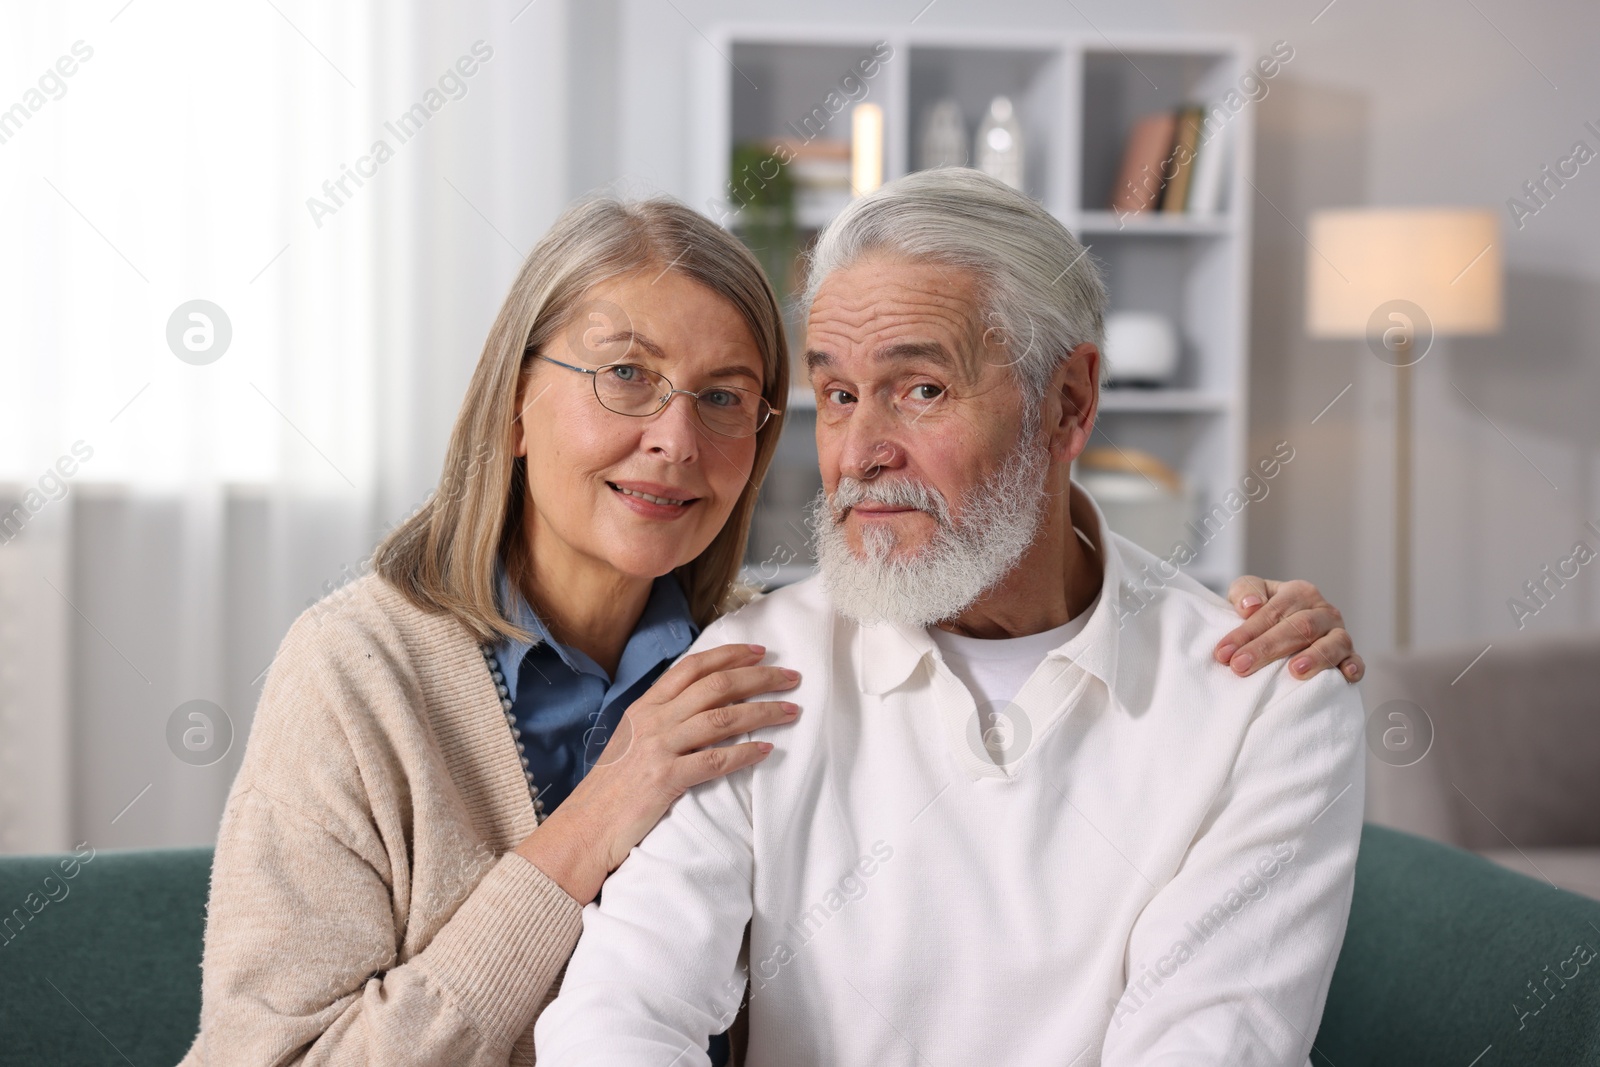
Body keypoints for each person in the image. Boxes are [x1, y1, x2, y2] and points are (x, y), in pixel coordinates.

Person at [180, 191, 1361, 1066]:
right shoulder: (362, 670)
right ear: (516, 404)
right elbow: (618, 1014)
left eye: (726, 398)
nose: (675, 443)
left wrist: (1243, 639)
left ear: (1070, 403)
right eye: (624, 376)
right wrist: (600, 811)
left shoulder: (733, 655)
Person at [533, 170, 1367, 1067]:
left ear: (1069, 402)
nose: (858, 454)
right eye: (840, 395)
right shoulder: (748, 671)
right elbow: (616, 1019)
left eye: (921, 389)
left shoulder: (1266, 704)